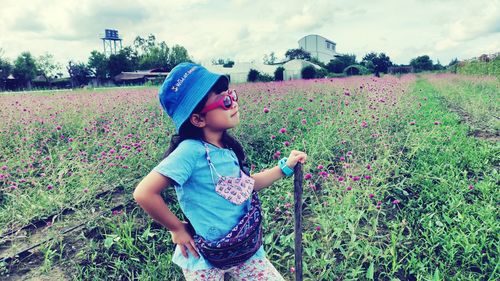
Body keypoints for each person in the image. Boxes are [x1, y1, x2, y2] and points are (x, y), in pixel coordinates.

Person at [133, 62, 307, 280]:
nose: (233, 103)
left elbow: (246, 186)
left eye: (232, 96)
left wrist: (285, 168)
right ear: (198, 119)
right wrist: (176, 228)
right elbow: (144, 192)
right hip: (205, 257)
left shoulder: (226, 148)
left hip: (244, 249)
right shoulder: (189, 152)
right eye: (225, 101)